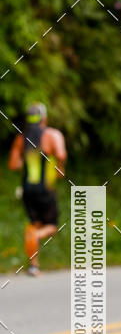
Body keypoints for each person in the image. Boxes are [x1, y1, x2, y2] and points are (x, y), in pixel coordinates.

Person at [8, 102, 67, 276]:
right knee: (51, 227)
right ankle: (35, 238)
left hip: (27, 190)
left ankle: (34, 266)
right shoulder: (52, 135)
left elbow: (13, 164)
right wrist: (60, 168)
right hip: (45, 189)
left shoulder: (21, 138)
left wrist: (27, 160)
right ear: (44, 118)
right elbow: (61, 154)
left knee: (34, 225)